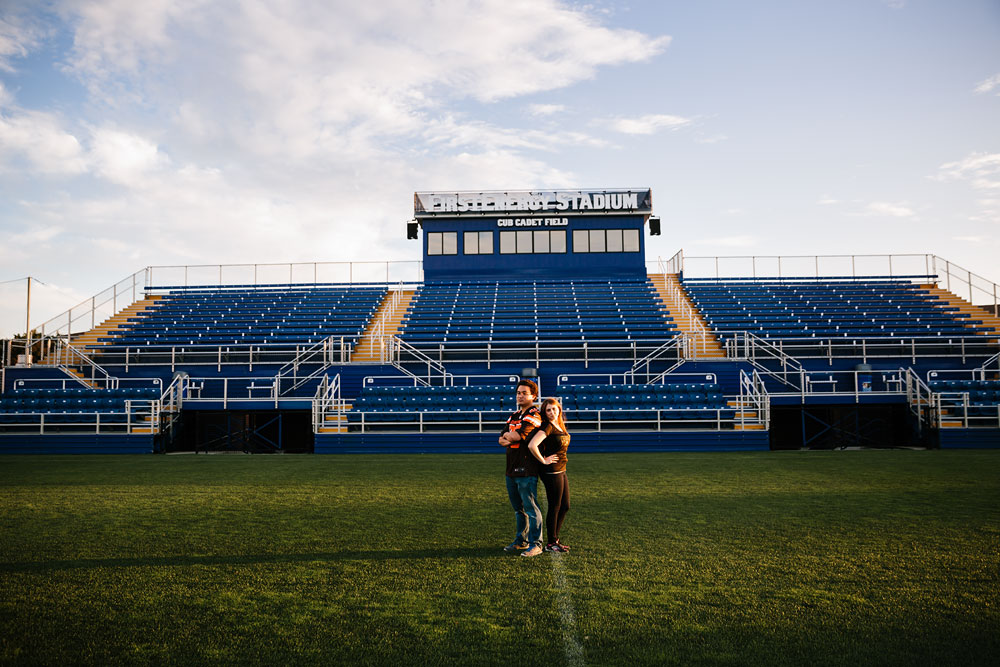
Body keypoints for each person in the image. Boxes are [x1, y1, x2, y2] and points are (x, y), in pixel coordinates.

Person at [499, 379, 544, 557]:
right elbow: (501, 438)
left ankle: (536, 543)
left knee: (531, 508)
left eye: (525, 393)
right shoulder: (514, 415)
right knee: (519, 509)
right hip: (511, 468)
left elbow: (517, 436)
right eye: (518, 392)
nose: (520, 395)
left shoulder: (534, 414)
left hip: (526, 468)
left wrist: (510, 437)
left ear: (534, 396)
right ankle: (521, 541)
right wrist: (509, 437)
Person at [527, 397, 571, 553]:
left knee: (565, 506)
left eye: (554, 409)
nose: (552, 412)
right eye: (548, 410)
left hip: (561, 470)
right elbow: (532, 445)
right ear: (544, 413)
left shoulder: (558, 425)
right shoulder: (547, 427)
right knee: (555, 506)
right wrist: (543, 460)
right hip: (552, 471)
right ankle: (552, 542)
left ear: (559, 409)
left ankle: (555, 539)